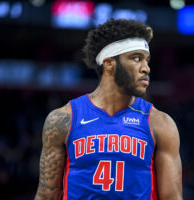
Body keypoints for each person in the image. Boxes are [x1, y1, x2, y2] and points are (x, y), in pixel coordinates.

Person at [35, 19, 182, 200]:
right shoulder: (62, 119)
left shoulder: (161, 123)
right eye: (137, 58)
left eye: (147, 60)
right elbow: (46, 196)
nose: (146, 68)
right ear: (109, 63)